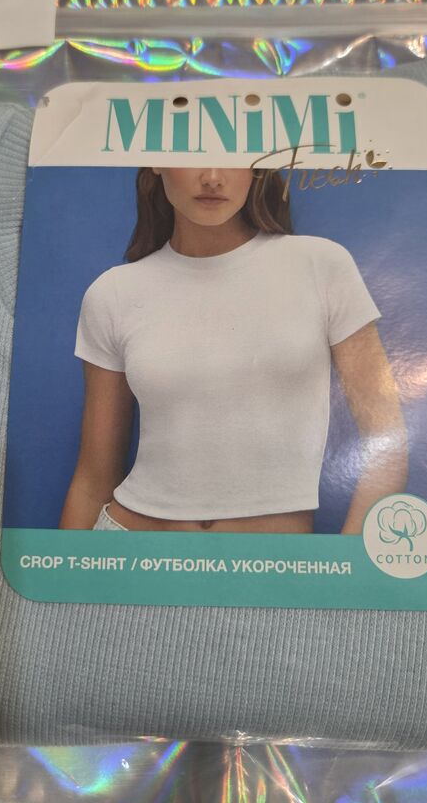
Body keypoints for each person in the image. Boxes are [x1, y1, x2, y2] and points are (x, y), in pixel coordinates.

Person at [59, 163, 407, 534]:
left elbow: (388, 442)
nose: (212, 177)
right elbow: (93, 478)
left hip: (272, 560)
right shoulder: (113, 292)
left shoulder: (321, 266)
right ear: (156, 161)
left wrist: (348, 561)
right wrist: (63, 571)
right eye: (195, 155)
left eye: (229, 157)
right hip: (131, 545)